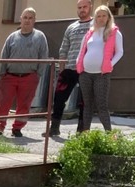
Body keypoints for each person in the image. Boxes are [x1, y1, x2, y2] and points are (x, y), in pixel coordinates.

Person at [0, 8, 49, 139]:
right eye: (25, 17)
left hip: (29, 77)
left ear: (34, 20)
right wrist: (2, 74)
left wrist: (38, 75)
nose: (27, 20)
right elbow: (4, 55)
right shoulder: (12, 37)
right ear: (21, 19)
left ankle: (17, 128)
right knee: (3, 104)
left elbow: (43, 56)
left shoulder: (40, 37)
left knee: (24, 105)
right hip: (9, 76)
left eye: (30, 18)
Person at [76, 5, 124, 132]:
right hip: (85, 74)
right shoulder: (90, 33)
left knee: (101, 105)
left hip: (101, 75)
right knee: (87, 105)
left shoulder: (114, 32)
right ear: (95, 18)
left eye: (104, 15)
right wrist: (78, 63)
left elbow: (120, 52)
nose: (101, 18)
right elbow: (82, 50)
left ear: (108, 17)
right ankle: (85, 134)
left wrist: (110, 64)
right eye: (98, 16)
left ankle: (109, 135)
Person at [49, 0, 93, 137]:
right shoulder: (71, 27)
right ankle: (54, 128)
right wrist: (62, 69)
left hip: (87, 69)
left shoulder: (96, 25)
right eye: (79, 7)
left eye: (84, 7)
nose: (82, 10)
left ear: (90, 7)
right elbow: (64, 49)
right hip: (69, 68)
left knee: (85, 101)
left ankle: (82, 132)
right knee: (59, 98)